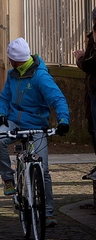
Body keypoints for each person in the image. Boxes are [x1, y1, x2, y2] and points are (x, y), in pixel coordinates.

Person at [0, 37, 70, 227]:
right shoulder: (12, 75)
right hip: (14, 123)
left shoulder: (40, 77)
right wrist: (1, 115)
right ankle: (8, 178)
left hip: (36, 126)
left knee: (43, 170)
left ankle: (48, 213)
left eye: (10, 58)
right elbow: (3, 98)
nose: (9, 61)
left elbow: (57, 98)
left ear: (15, 60)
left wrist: (63, 120)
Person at [73, 9, 96, 179]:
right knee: (92, 127)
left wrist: (80, 58)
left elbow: (90, 65)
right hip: (92, 90)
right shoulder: (92, 39)